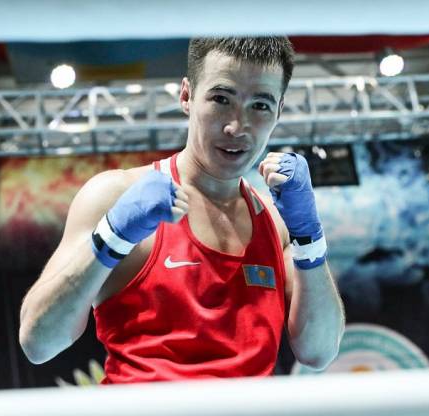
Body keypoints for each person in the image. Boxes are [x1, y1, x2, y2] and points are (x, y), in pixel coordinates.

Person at [19, 36, 345, 383]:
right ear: (187, 96)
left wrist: (310, 237)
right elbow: (39, 343)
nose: (237, 126)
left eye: (260, 106)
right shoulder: (114, 195)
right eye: (221, 99)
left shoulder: (278, 225)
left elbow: (319, 351)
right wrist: (112, 235)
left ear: (278, 112)